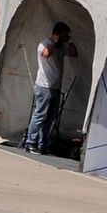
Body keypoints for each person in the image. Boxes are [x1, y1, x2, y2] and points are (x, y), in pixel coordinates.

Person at [22, 21, 78, 154]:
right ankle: (30, 143)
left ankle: (43, 144)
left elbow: (74, 54)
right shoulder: (45, 44)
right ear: (57, 34)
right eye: (64, 35)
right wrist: (55, 40)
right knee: (40, 115)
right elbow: (46, 54)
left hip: (55, 86)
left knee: (50, 118)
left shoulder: (62, 47)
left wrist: (69, 41)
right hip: (44, 86)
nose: (65, 38)